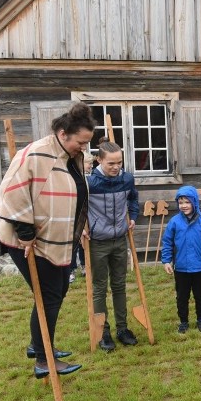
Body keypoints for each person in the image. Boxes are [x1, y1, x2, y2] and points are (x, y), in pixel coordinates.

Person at [0, 102, 96, 379]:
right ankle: (42, 358)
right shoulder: (38, 154)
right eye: (81, 142)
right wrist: (26, 235)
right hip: (30, 241)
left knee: (57, 290)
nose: (84, 148)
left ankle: (39, 344)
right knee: (48, 294)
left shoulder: (66, 156)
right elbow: (12, 194)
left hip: (57, 239)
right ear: (63, 133)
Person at [85, 139, 140, 351]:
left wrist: (133, 216)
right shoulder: (89, 183)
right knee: (100, 287)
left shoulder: (127, 179)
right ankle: (103, 331)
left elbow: (133, 200)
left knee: (119, 285)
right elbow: (77, 207)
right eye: (111, 164)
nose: (116, 167)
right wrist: (82, 226)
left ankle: (122, 329)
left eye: (119, 162)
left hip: (120, 239)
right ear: (99, 160)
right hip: (97, 241)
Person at [161, 185, 201, 334]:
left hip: (200, 267)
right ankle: (183, 322)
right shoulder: (174, 222)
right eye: (180, 203)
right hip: (181, 268)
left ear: (194, 202)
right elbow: (167, 242)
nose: (184, 206)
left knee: (200, 295)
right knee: (182, 297)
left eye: (187, 202)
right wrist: (166, 261)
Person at [69, 155, 93, 283]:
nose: (91, 166)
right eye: (88, 163)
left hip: (86, 216)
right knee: (74, 245)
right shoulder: (73, 179)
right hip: (74, 217)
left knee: (84, 243)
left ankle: (85, 266)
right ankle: (71, 270)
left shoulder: (88, 179)